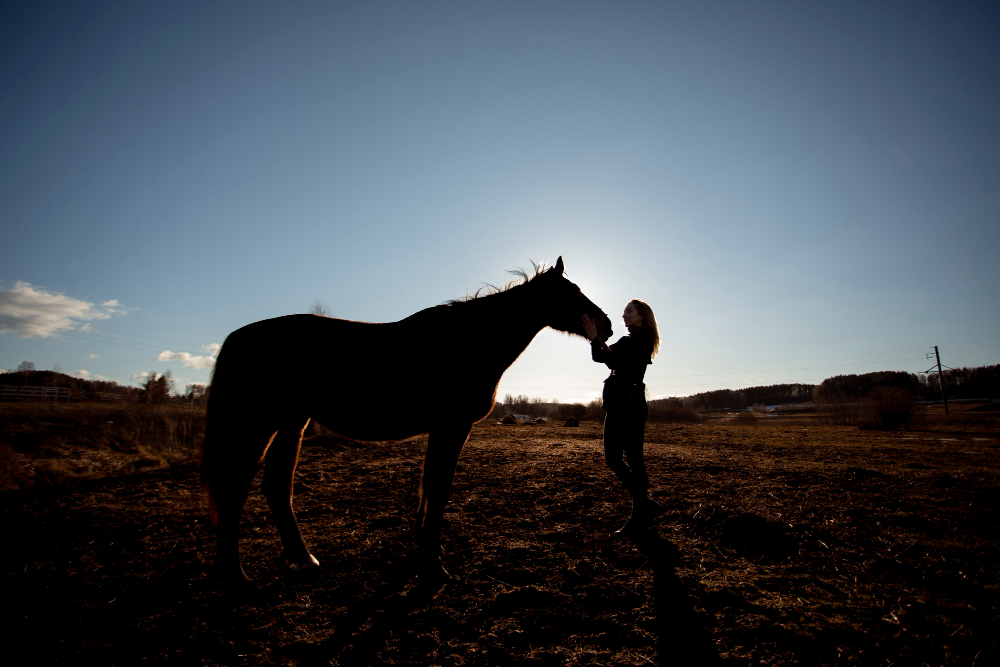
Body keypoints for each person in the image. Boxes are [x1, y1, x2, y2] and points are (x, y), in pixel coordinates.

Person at [582, 299, 662, 536]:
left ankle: (639, 518)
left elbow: (616, 360)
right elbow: (601, 358)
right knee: (613, 459)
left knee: (635, 461)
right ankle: (646, 504)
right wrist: (593, 337)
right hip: (616, 406)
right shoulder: (626, 340)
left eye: (630, 311)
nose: (624, 314)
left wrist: (597, 338)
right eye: (624, 311)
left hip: (631, 407)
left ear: (642, 316)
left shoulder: (643, 340)